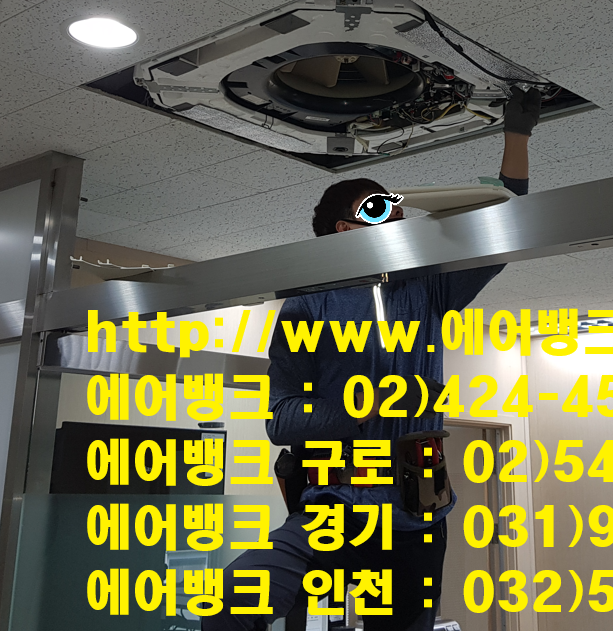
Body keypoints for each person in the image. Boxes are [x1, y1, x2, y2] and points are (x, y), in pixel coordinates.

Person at [205, 89, 542, 631]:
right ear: (345, 230)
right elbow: (281, 420)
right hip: (334, 509)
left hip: (417, 512)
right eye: (381, 208)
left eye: (397, 206)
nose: (399, 214)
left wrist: (517, 136)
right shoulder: (308, 305)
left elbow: (505, 226)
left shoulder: (424, 290)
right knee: (229, 608)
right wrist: (360, 408)